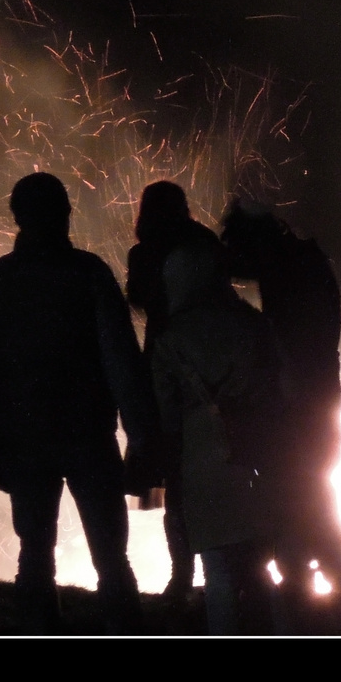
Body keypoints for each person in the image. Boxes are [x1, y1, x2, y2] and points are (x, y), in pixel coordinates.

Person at [0, 172, 160, 633]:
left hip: (24, 439)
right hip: (88, 435)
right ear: (65, 213)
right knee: (112, 558)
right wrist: (142, 438)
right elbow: (120, 360)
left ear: (17, 217)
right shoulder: (89, 273)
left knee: (34, 553)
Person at [220, 200, 341, 598]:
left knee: (297, 488)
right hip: (316, 392)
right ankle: (330, 575)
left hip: (298, 397)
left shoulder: (286, 267)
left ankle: (313, 578)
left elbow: (288, 339)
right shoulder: (300, 259)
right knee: (309, 486)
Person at [150, 235, 287, 634]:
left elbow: (164, 410)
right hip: (255, 455)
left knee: (219, 572)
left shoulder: (171, 337)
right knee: (263, 569)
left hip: (201, 462)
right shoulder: (253, 324)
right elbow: (279, 389)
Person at [125, 180, 221, 600]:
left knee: (174, 474)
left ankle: (181, 575)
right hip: (213, 354)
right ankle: (221, 571)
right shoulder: (204, 241)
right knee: (214, 471)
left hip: (163, 354)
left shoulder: (145, 248)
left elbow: (138, 298)